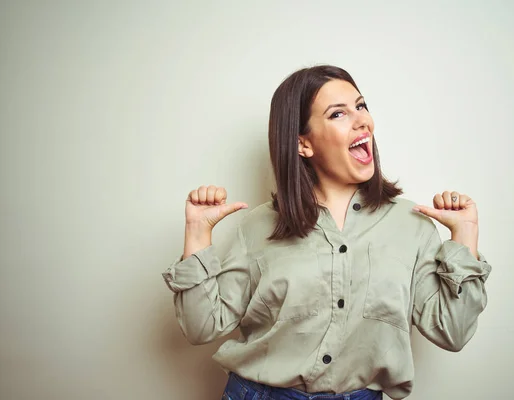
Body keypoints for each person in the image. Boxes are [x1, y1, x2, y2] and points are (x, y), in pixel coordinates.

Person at [162, 65, 491, 400]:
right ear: (303, 143)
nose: (362, 120)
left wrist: (464, 238)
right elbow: (201, 327)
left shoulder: (411, 224)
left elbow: (453, 333)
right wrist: (197, 233)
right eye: (338, 114)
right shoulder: (258, 227)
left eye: (361, 106)